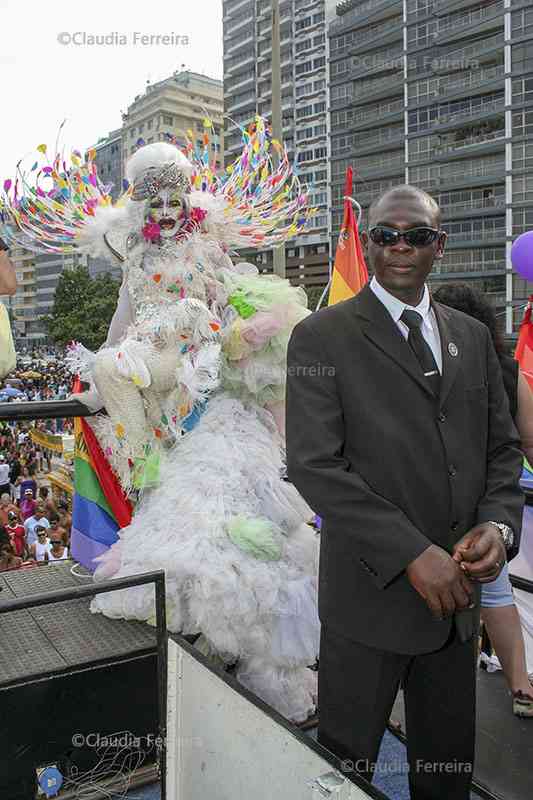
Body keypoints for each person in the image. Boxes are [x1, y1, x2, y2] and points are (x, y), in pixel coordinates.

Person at [286, 184, 524, 799]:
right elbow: (315, 466)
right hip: (369, 601)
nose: (399, 246)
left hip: (457, 608)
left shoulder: (471, 337)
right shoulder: (321, 337)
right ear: (368, 244)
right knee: (344, 774)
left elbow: (502, 451)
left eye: (415, 235)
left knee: (447, 773)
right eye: (386, 235)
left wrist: (498, 528)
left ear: (437, 246)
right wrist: (412, 554)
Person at [433, 283, 533, 717]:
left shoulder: (430, 373)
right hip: (492, 511)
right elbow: (529, 443)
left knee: (443, 600)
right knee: (496, 595)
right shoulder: (512, 374)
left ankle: (448, 691)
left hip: (438, 507)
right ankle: (520, 685)